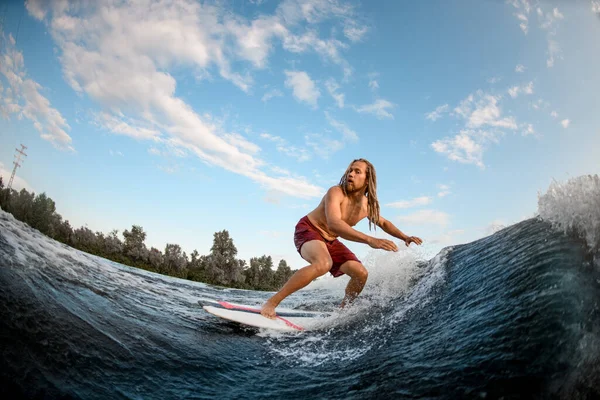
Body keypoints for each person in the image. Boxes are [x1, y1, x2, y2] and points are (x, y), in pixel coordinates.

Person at [261, 158, 423, 319]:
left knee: (360, 273)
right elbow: (334, 224)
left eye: (357, 171)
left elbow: (384, 223)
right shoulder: (336, 192)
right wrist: (369, 240)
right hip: (308, 229)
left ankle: (341, 313)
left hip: (330, 240)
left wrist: (404, 237)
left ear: (367, 180)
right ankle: (271, 303)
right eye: (350, 170)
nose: (350, 174)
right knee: (323, 264)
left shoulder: (366, 206)